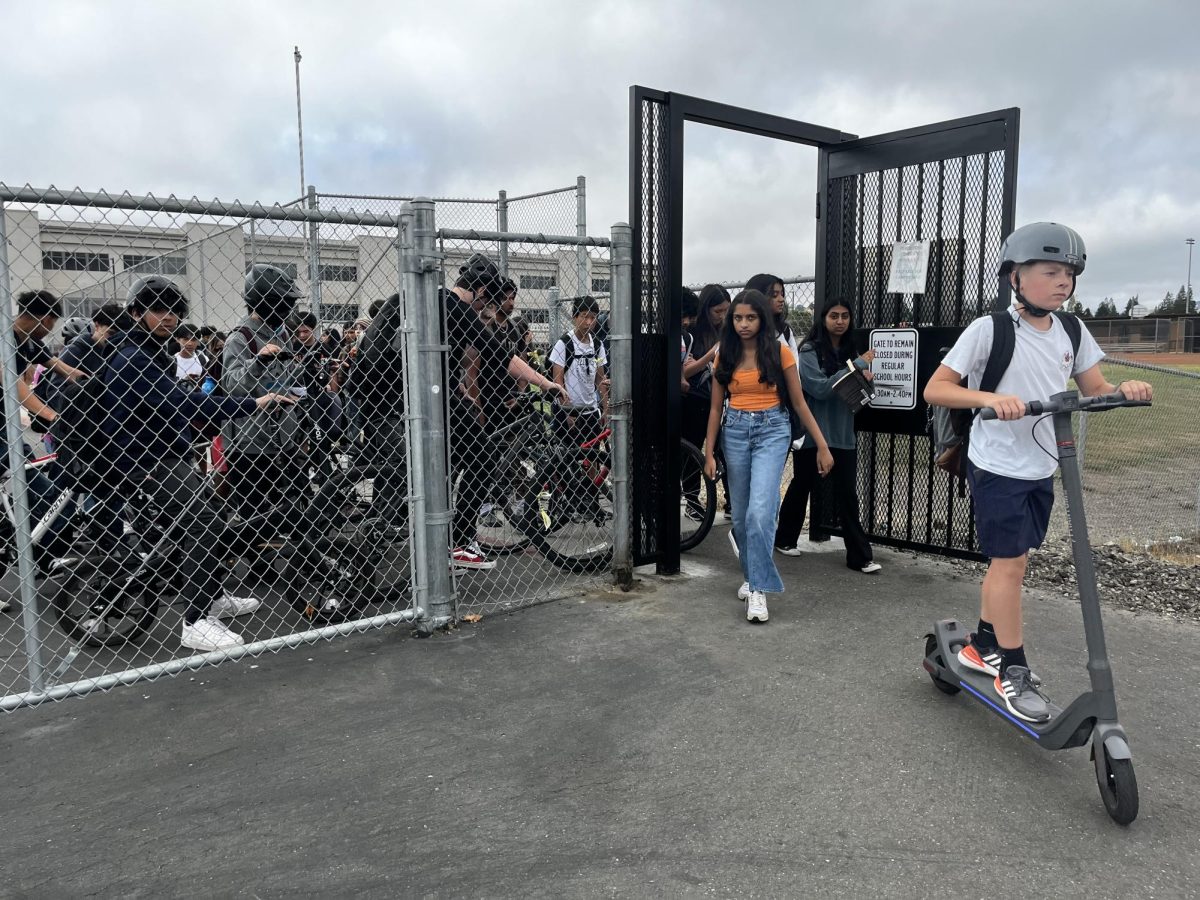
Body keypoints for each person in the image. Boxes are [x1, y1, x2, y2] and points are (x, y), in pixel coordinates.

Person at [923, 222, 1152, 722]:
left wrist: (1125, 389)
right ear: (1015, 278)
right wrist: (990, 398)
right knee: (1011, 564)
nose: (1062, 282)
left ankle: (983, 644)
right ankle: (1013, 670)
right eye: (1050, 271)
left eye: (1068, 274)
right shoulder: (990, 330)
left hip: (1042, 464)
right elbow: (937, 389)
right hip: (998, 463)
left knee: (1013, 560)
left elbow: (1094, 386)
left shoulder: (1072, 330)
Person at [102, 275, 295, 651]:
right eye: (158, 309)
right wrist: (254, 403)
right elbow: (184, 403)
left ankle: (212, 595)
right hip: (148, 460)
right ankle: (195, 620)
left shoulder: (149, 351)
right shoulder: (133, 357)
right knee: (204, 525)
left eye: (174, 310)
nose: (169, 318)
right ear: (137, 312)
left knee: (200, 522)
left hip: (166, 454)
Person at [702, 289, 833, 624]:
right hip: (734, 431)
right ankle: (750, 574)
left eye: (751, 317)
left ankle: (758, 590)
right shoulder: (724, 354)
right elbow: (716, 407)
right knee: (743, 514)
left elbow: (800, 402)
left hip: (773, 431)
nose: (744, 324)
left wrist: (822, 445)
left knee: (760, 513)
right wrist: (708, 451)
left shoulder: (780, 352)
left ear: (762, 319)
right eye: (738, 318)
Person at [444, 254, 567, 569]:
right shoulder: (461, 311)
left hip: (433, 396)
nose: (487, 306)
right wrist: (545, 384)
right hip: (446, 400)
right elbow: (501, 356)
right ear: (482, 290)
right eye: (490, 297)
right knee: (484, 457)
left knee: (458, 459)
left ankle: (439, 528)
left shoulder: (441, 303)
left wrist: (456, 389)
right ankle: (458, 542)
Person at [775, 299, 879, 573]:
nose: (840, 321)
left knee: (847, 494)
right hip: (813, 434)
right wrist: (855, 366)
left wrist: (866, 377)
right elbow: (819, 388)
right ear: (823, 319)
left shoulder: (849, 350)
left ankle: (859, 557)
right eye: (834, 315)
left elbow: (856, 388)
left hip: (844, 434)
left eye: (845, 316)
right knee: (802, 486)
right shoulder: (809, 351)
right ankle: (784, 539)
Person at [221, 264, 307, 547]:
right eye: (281, 304)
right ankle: (259, 564)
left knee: (296, 502)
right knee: (254, 511)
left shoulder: (282, 335)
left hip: (283, 437)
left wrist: (298, 391)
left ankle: (304, 556)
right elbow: (231, 385)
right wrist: (258, 362)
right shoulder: (240, 337)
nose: (286, 310)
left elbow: (291, 376)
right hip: (250, 442)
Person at [682, 285, 730, 521]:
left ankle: (730, 501)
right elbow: (688, 370)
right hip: (697, 399)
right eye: (718, 311)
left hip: (723, 401)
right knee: (693, 450)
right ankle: (691, 499)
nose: (722, 316)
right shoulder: (694, 333)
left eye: (725, 311)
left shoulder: (728, 331)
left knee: (724, 450)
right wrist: (711, 355)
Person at [549, 296, 609, 443]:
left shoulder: (597, 345)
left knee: (592, 456)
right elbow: (558, 380)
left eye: (593, 317)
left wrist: (606, 409)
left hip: (591, 411)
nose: (589, 322)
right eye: (584, 316)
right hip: (568, 412)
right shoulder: (564, 344)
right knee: (566, 458)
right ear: (575, 317)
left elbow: (600, 378)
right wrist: (567, 412)